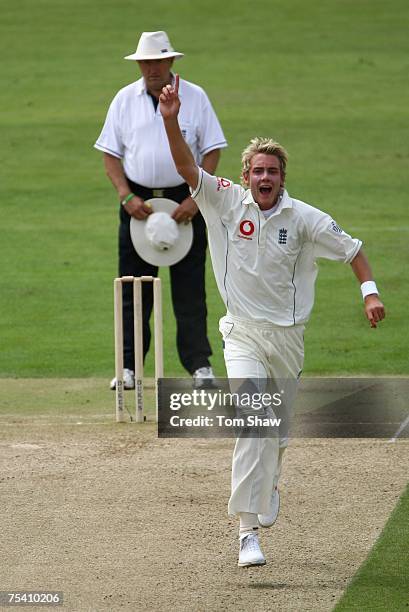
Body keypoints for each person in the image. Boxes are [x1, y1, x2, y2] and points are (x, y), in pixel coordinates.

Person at [159, 75, 386, 567]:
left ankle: (270, 485)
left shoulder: (304, 218)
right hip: (241, 333)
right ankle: (246, 532)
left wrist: (369, 294)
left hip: (287, 339)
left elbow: (355, 251)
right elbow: (184, 166)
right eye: (258, 171)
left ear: (283, 177)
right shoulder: (221, 200)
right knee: (254, 424)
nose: (265, 179)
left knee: (276, 436)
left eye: (273, 172)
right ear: (244, 176)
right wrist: (172, 119)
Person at [94, 31, 227, 389]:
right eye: (145, 62)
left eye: (157, 61)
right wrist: (125, 195)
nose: (151, 68)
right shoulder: (123, 99)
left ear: (170, 62)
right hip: (138, 203)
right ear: (139, 64)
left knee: (190, 288)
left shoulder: (195, 97)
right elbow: (110, 154)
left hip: (185, 200)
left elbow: (212, 150)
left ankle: (199, 366)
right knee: (134, 288)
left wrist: (196, 198)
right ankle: (128, 368)